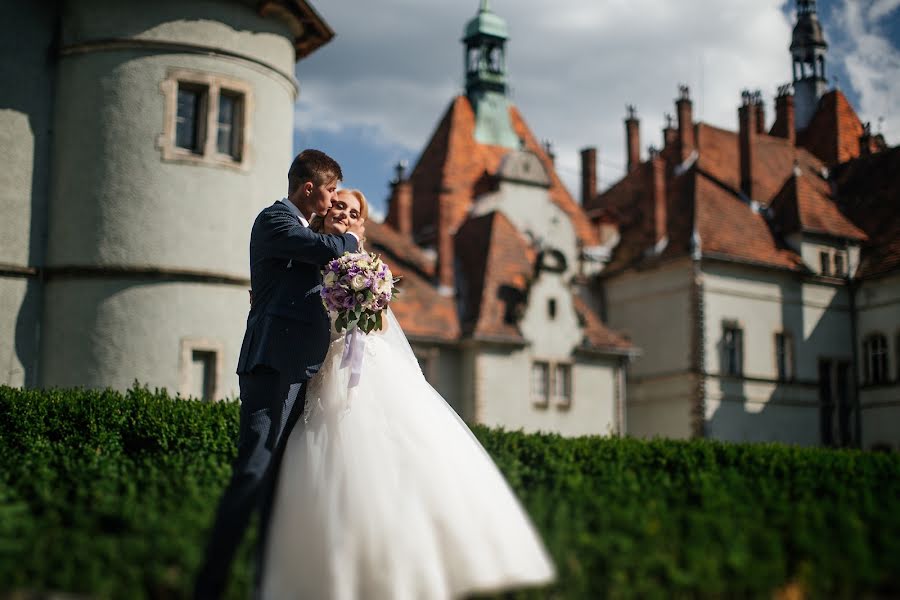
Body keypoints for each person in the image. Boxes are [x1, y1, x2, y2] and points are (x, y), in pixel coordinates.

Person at [260, 189, 556, 599]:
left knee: (389, 461)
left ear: (361, 223)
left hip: (368, 365)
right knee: (320, 466)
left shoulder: (368, 264)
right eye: (339, 205)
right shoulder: (304, 256)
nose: (344, 212)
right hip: (320, 370)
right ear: (325, 212)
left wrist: (362, 298)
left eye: (353, 210)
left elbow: (380, 327)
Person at [194, 150, 365, 600]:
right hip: (272, 364)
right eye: (330, 191)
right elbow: (324, 250)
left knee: (276, 483)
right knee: (253, 472)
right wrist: (350, 243)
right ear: (309, 188)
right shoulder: (276, 222)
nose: (332, 202)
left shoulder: (304, 231)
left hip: (299, 370)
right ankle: (209, 585)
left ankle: (262, 586)